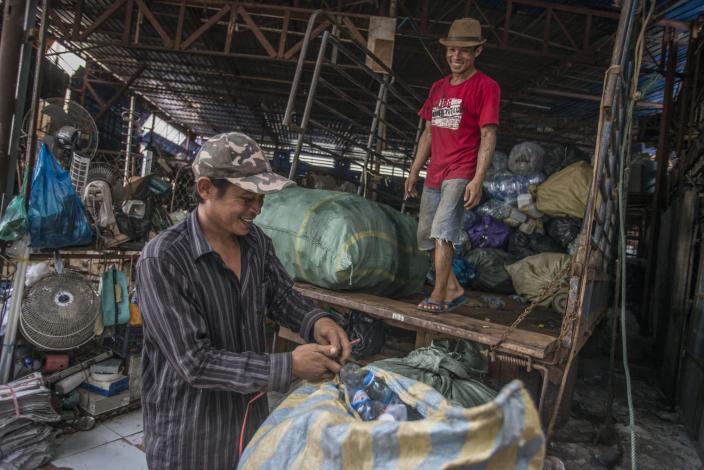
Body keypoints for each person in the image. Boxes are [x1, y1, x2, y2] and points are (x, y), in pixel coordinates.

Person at [136, 132, 351, 469]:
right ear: (206, 189)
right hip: (191, 437)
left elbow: (280, 296)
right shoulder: (164, 259)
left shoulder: (255, 243)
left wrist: (316, 321)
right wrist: (288, 366)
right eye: (246, 197)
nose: (257, 208)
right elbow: (195, 362)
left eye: (261, 197)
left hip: (250, 425)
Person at [404, 17, 500, 313]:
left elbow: (488, 134)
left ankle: (438, 295)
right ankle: (455, 288)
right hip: (435, 171)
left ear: (477, 52)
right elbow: (429, 133)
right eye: (452, 50)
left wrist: (477, 178)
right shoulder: (438, 87)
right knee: (425, 235)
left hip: (461, 170)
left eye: (464, 51)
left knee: (443, 230)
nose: (456, 57)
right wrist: (413, 171)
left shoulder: (486, 87)